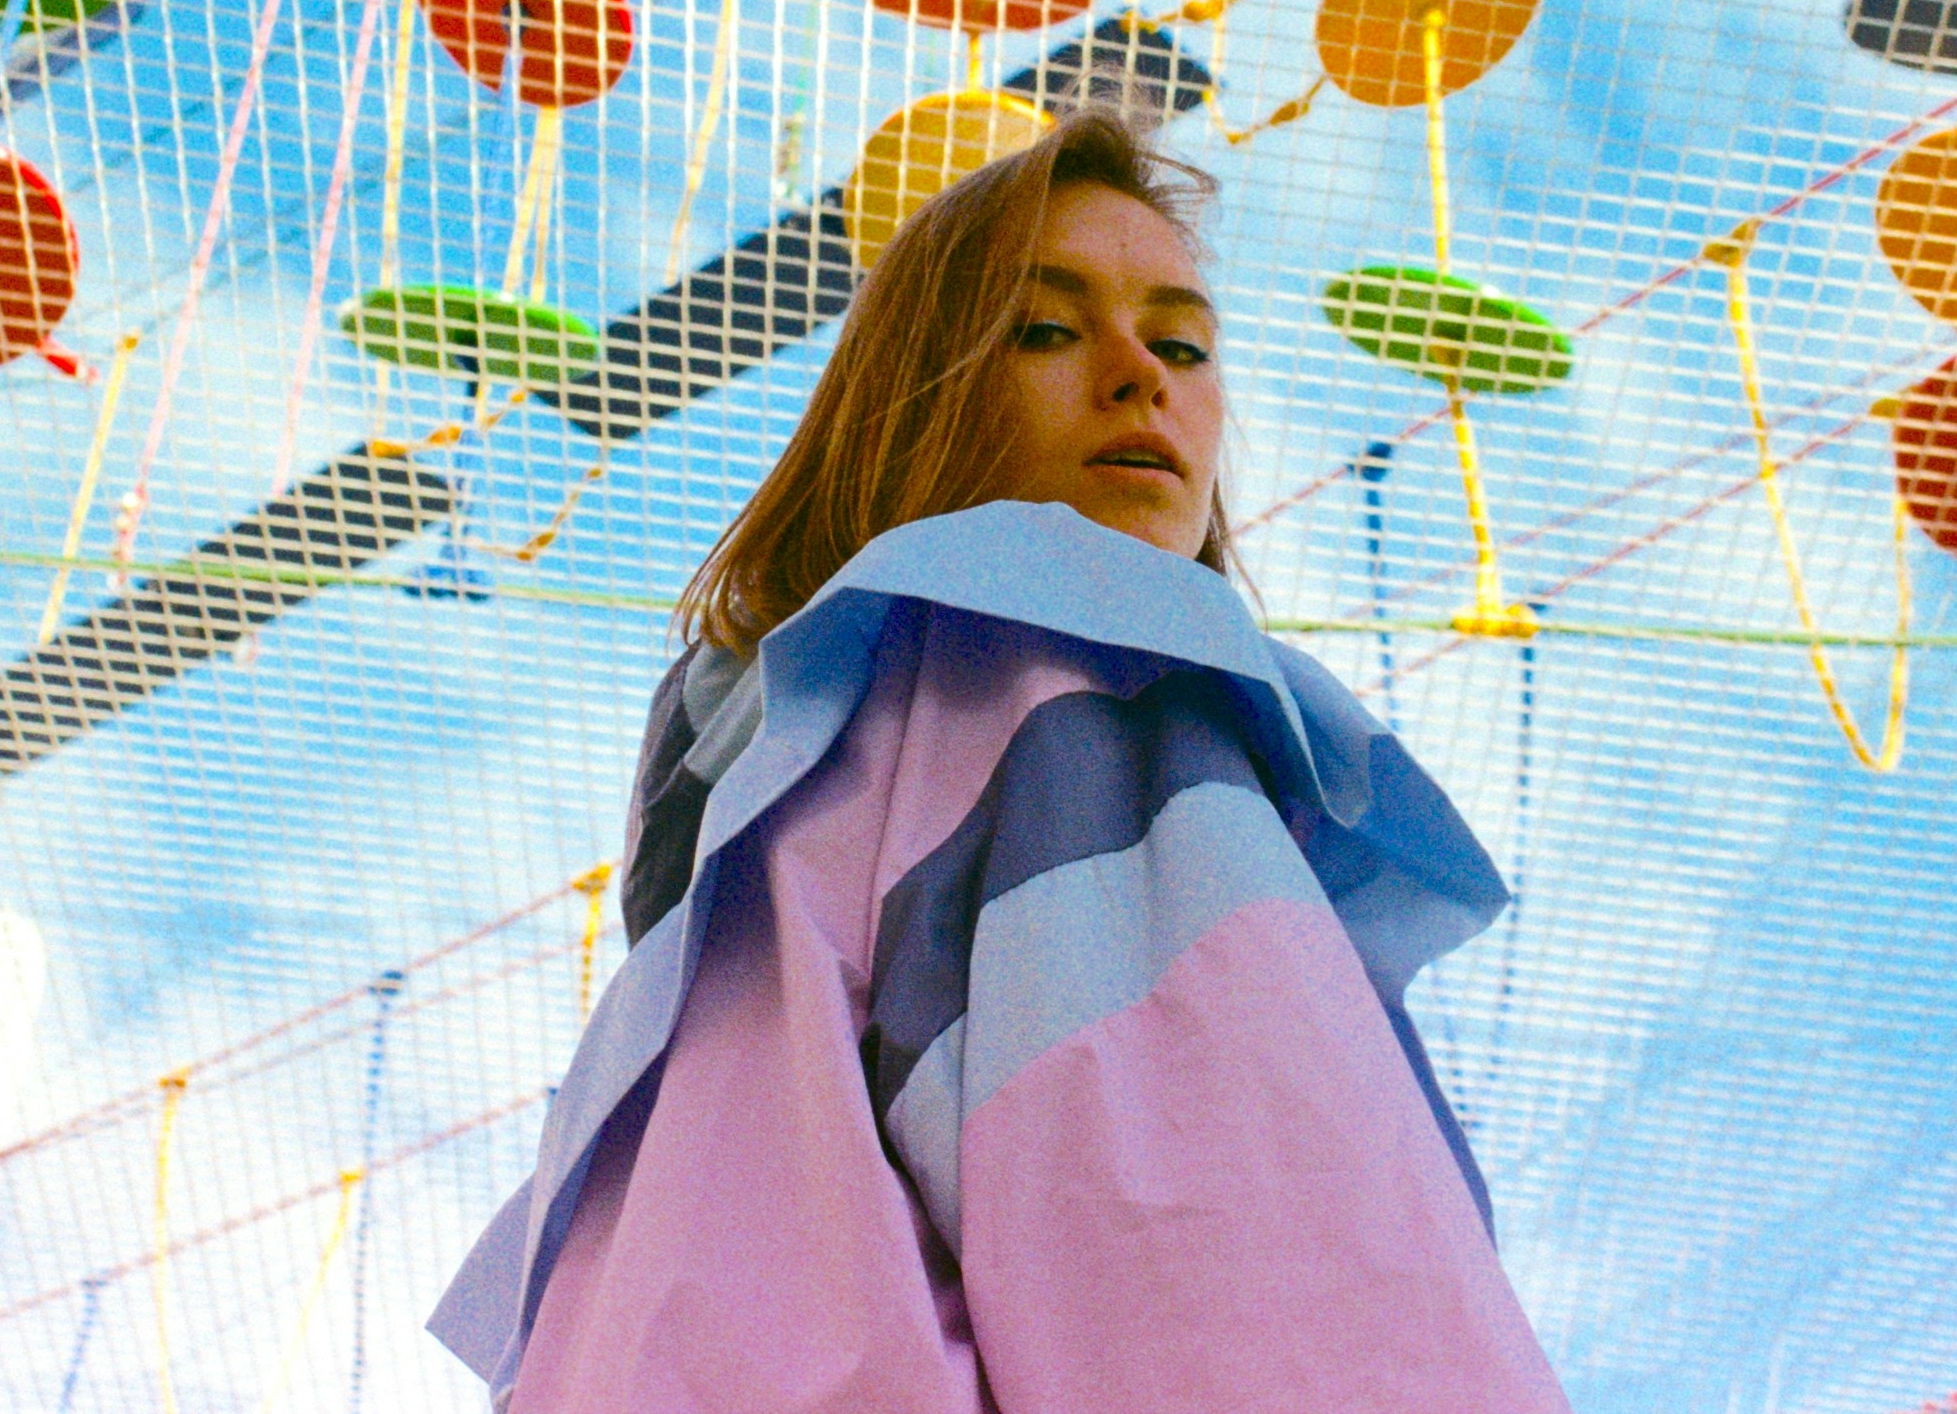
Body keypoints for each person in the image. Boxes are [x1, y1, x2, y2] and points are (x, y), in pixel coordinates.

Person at [430, 109, 1569, 1412]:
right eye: (1044, 325)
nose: (1142, 373)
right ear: (917, 391)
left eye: (1183, 341)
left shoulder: (752, 841)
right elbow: (1243, 1265)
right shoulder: (1077, 701)